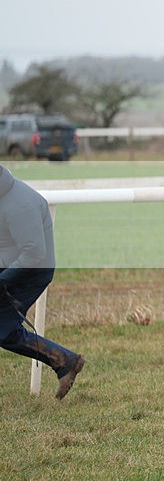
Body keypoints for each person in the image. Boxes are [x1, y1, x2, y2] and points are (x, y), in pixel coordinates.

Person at [0, 165, 84, 399]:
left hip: (30, 271)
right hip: (11, 261)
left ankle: (64, 360)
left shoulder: (19, 205)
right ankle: (64, 360)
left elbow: (33, 254)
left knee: (4, 330)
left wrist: (3, 280)